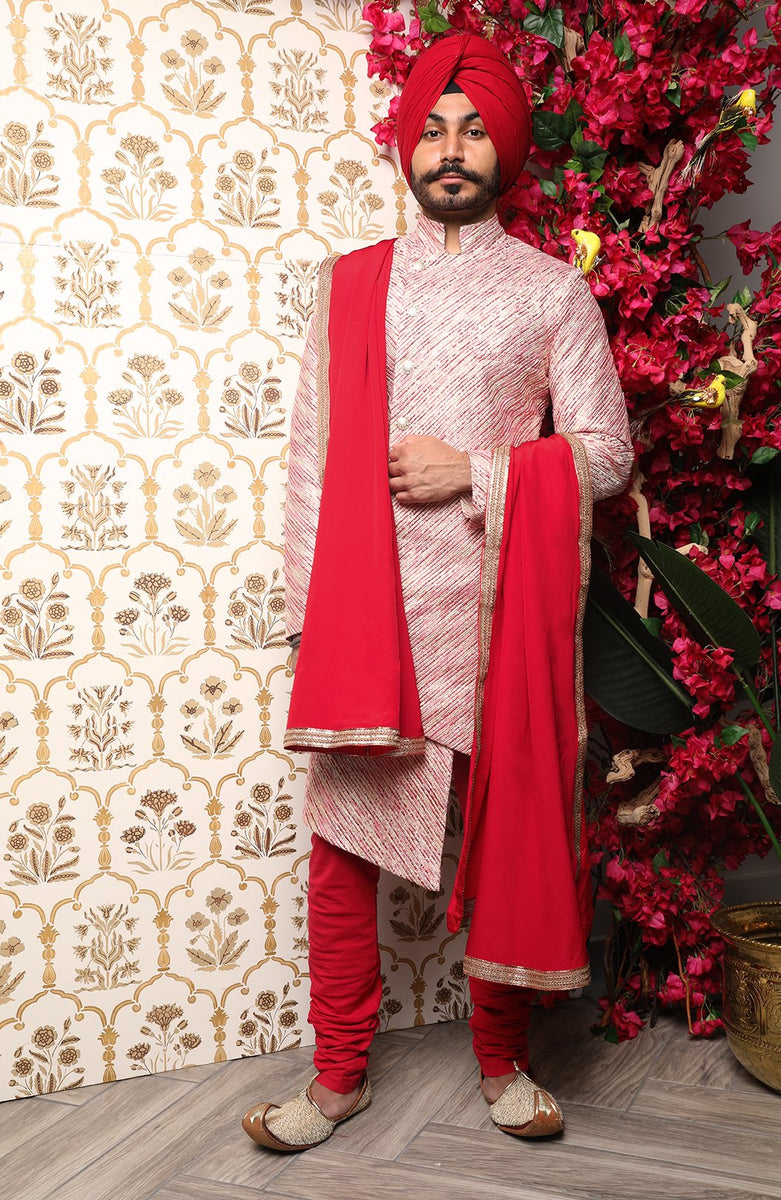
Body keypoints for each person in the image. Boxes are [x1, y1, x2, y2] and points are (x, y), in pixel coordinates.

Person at [242, 32, 633, 1152]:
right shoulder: (351, 284)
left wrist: (479, 470)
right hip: (369, 618)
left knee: (502, 836)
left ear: (504, 148)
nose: (450, 150)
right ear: (407, 145)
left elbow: (604, 454)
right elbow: (312, 455)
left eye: (473, 130)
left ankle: (502, 1062)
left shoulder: (552, 295)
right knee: (341, 851)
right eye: (433, 129)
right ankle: (336, 1078)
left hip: (495, 613)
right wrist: (312, 616)